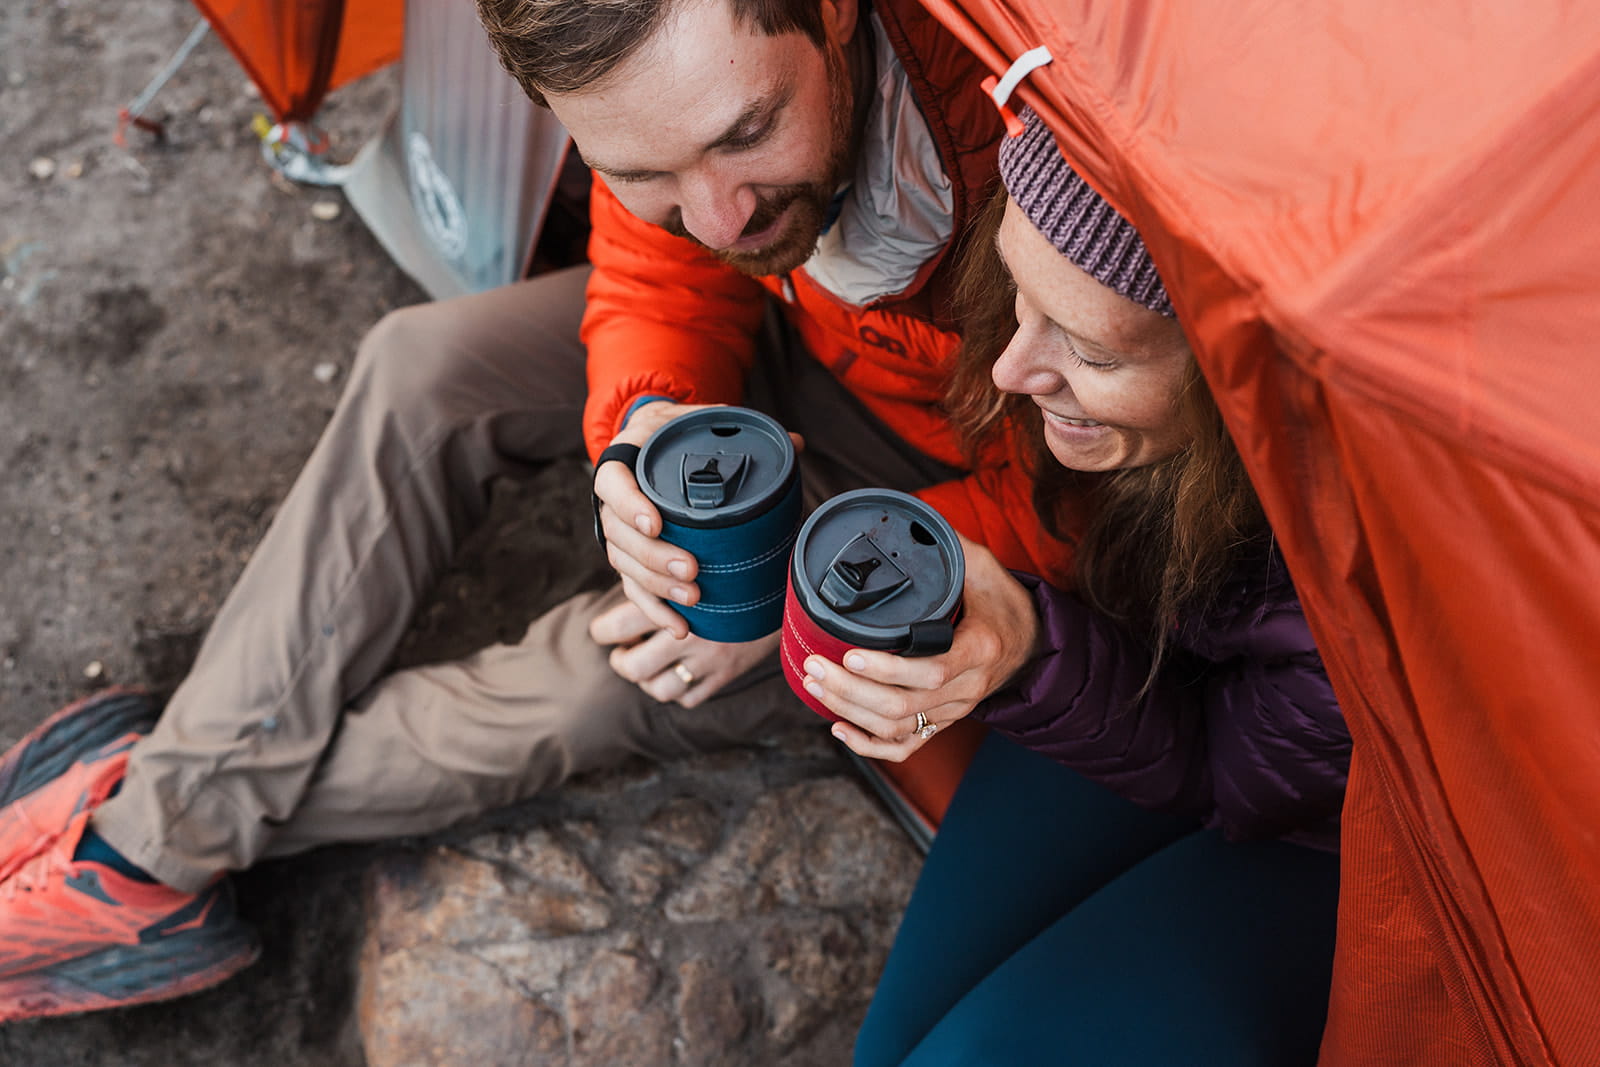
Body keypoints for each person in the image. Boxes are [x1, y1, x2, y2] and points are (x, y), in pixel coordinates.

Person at [0, 0, 1074, 1023]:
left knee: (595, 677)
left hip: (952, 505)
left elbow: (1118, 499)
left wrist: (793, 613)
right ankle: (154, 832)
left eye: (747, 132)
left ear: (835, 11)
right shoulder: (661, 107)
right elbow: (667, 268)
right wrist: (646, 417)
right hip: (790, 352)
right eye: (641, 170)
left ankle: (133, 835)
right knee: (421, 366)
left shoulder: (1050, 119)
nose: (719, 216)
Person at [797, 108, 1351, 1065]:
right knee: (888, 1046)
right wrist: (1017, 646)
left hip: (1319, 838)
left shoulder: (1353, 573)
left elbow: (1235, 777)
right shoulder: (1144, 439)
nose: (1012, 370)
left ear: (1240, 383)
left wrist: (1032, 652)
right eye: (1020, 294)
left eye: (1089, 353)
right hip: (1144, 679)